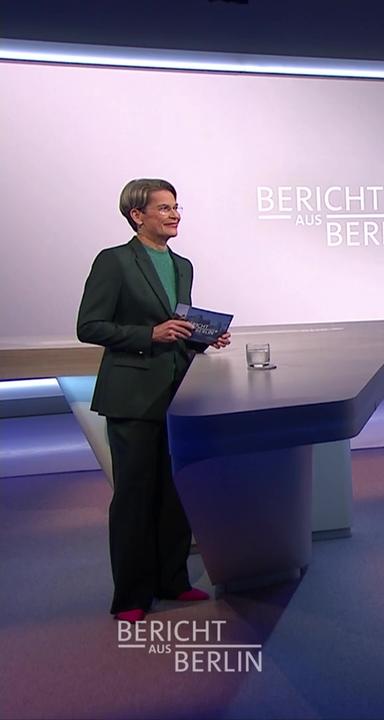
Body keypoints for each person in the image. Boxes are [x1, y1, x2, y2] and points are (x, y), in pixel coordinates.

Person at [76, 178, 231, 622]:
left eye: (176, 206)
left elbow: (177, 326)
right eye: (164, 208)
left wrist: (203, 337)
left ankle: (172, 581)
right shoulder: (114, 262)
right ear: (136, 215)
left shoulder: (183, 265)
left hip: (178, 393)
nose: (174, 214)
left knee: (175, 491)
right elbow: (90, 326)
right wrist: (150, 334)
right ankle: (131, 596)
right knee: (135, 495)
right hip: (131, 396)